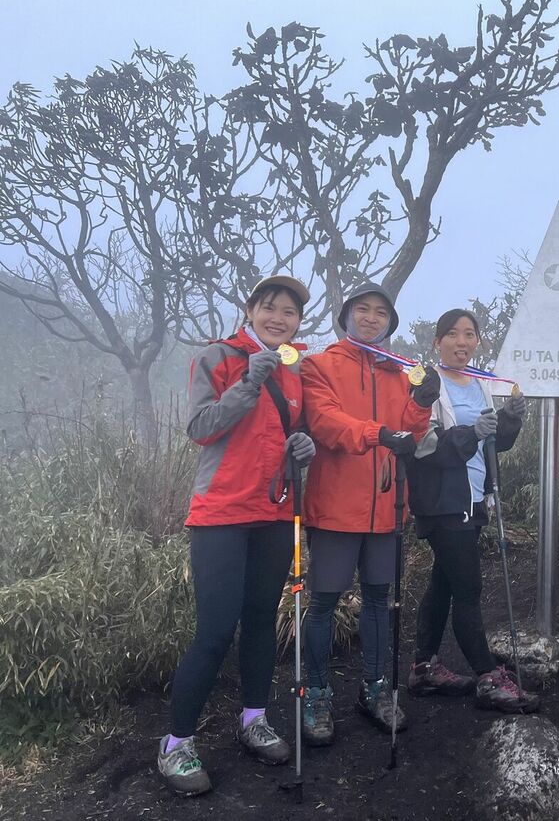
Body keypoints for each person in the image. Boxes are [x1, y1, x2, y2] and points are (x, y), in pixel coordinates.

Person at [158, 275, 316, 797]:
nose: (279, 318)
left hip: (274, 513)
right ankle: (176, 744)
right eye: (269, 307)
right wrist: (248, 382)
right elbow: (201, 427)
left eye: (289, 312)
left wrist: (302, 447)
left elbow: (292, 432)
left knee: (258, 624)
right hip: (221, 513)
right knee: (215, 630)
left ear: (298, 321)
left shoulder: (296, 371)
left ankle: (253, 719)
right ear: (250, 310)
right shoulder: (219, 357)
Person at [297, 283, 440, 745]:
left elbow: (412, 434)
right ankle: (315, 693)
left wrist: (421, 401)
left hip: (386, 508)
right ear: (346, 315)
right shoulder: (320, 365)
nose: (373, 317)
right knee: (323, 603)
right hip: (335, 507)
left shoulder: (401, 373)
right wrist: (378, 432)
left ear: (390, 322)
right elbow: (324, 421)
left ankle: (376, 688)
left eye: (382, 312)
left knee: (380, 601)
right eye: (364, 309)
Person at [405, 309, 536, 713]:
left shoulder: (481, 383)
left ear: (478, 341)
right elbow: (423, 448)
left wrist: (509, 423)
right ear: (437, 341)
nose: (462, 341)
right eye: (452, 334)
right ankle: (487, 676)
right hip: (443, 500)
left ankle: (424, 667)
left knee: (444, 582)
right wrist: (470, 432)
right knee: (468, 589)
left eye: (469, 334)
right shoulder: (428, 384)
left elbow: (494, 445)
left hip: (473, 499)